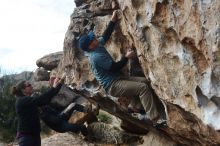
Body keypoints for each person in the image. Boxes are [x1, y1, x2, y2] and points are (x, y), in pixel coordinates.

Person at [79, 10, 165, 126]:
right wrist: (127, 57)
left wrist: (113, 20)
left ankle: (135, 107)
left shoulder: (96, 45)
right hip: (113, 85)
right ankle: (155, 120)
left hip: (118, 78)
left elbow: (105, 35)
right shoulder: (95, 57)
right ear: (90, 46)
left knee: (145, 82)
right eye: (92, 39)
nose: (95, 37)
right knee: (143, 88)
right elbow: (115, 67)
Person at [12, 77, 62, 146]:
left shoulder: (28, 100)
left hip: (34, 135)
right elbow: (41, 99)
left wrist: (59, 84)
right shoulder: (21, 101)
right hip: (26, 138)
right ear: (23, 90)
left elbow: (45, 100)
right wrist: (53, 87)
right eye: (29, 85)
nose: (31, 86)